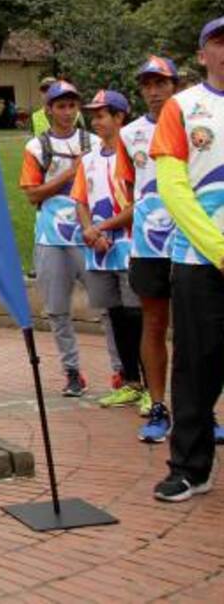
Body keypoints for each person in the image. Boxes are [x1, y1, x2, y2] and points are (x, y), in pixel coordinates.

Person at [151, 16, 224, 503]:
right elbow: (173, 189)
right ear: (202, 54)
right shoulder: (182, 107)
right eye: (218, 43)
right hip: (200, 263)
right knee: (196, 366)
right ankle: (190, 469)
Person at [19, 80, 96, 397]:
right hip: (51, 237)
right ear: (48, 109)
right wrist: (69, 174)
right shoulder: (37, 148)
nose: (67, 112)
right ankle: (72, 372)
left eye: (72, 106)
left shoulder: (92, 141)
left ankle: (125, 372)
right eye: (60, 106)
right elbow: (31, 193)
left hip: (89, 234)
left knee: (109, 307)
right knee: (57, 309)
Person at [119, 56, 179, 443]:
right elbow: (129, 187)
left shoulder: (194, 121)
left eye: (161, 83)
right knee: (153, 324)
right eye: (147, 84)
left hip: (192, 243)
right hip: (148, 246)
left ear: (176, 85)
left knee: (196, 329)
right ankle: (158, 405)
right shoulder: (130, 134)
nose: (154, 91)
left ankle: (201, 409)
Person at [71, 90, 143, 408]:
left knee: (135, 315)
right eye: (93, 115)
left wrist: (101, 227)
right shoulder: (87, 160)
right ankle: (129, 381)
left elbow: (139, 203)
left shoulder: (134, 156)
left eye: (102, 115)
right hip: (98, 251)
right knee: (114, 316)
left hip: (128, 246)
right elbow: (81, 200)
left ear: (119, 117)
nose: (95, 121)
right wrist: (89, 229)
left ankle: (149, 385)